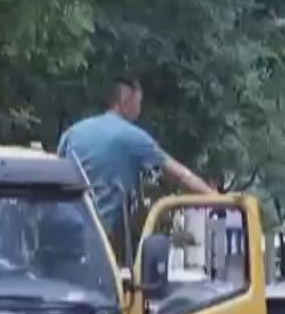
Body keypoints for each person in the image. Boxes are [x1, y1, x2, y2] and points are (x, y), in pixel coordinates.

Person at [57, 78, 215, 260]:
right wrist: (215, 197)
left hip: (66, 233)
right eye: (139, 103)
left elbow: (56, 171)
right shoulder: (134, 138)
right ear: (126, 102)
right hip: (105, 238)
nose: (140, 110)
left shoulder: (73, 133)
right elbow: (180, 175)